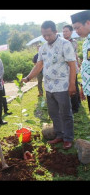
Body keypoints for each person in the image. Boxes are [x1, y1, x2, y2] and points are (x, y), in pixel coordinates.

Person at [21, 21, 76, 150]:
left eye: (49, 35)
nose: (46, 38)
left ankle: (68, 138)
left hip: (62, 86)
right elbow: (39, 65)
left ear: (56, 32)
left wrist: (72, 84)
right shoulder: (43, 48)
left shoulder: (65, 44)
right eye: (44, 35)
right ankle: (59, 134)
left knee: (65, 113)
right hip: (49, 87)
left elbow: (72, 66)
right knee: (53, 113)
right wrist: (28, 78)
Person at [71, 10, 90, 113]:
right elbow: (87, 65)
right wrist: (84, 86)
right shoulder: (86, 43)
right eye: (74, 29)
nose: (76, 31)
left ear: (88, 23)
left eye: (78, 27)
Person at [63, 25, 81, 113]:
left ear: (71, 32)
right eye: (63, 31)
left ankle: (75, 107)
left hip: (72, 68)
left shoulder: (72, 42)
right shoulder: (64, 42)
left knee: (73, 85)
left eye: (66, 31)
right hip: (67, 69)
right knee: (74, 85)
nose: (64, 33)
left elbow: (70, 54)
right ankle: (77, 102)